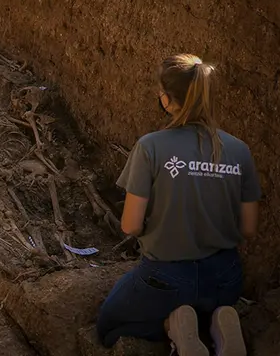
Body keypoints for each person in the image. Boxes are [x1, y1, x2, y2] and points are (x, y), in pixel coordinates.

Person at [96, 54, 261, 356]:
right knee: (206, 299)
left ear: (168, 100)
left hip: (166, 277)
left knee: (108, 324)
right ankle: (217, 322)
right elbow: (248, 228)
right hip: (226, 278)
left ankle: (173, 326)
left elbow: (130, 225)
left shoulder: (151, 146)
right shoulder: (240, 151)